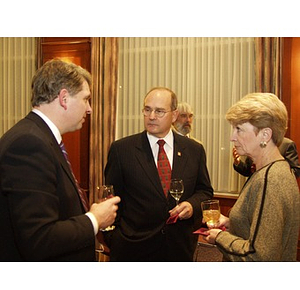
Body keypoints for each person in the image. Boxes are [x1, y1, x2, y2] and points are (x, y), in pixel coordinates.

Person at [0, 59, 120, 261]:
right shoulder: (29, 143)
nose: (89, 109)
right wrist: (94, 219)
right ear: (64, 98)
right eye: (85, 99)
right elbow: (38, 238)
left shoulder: (39, 137)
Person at [104, 87, 213, 261]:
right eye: (147, 110)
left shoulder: (194, 150)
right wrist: (115, 239)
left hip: (179, 248)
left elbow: (205, 192)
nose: (151, 116)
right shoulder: (122, 150)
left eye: (159, 111)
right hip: (133, 249)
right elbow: (111, 198)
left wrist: (192, 205)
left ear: (174, 115)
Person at [204, 92, 300, 261]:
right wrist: (231, 223)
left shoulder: (271, 179)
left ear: (265, 135)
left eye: (239, 129)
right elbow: (264, 231)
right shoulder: (274, 171)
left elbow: (259, 256)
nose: (232, 137)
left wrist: (220, 237)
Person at [233, 137, 300, 178]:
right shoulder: (256, 143)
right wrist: (238, 162)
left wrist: (273, 174)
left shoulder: (287, 144)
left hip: (275, 191)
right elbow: (248, 171)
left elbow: (296, 171)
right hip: (255, 190)